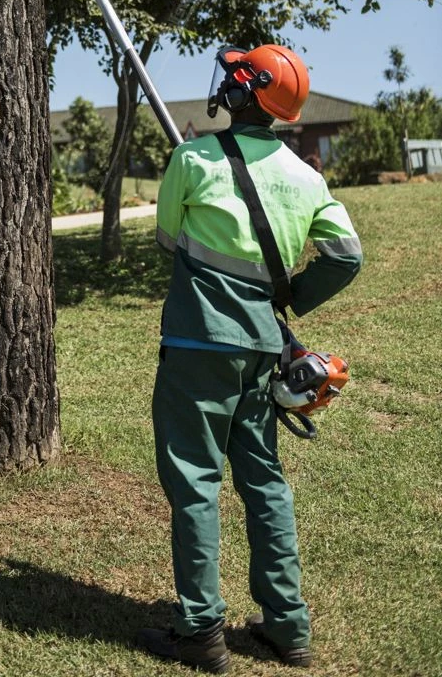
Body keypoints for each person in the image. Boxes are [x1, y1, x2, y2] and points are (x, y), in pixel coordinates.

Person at [137, 45, 362, 673]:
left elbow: (167, 241)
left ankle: (200, 632)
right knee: (264, 482)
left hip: (197, 346)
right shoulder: (307, 177)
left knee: (195, 483)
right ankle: (288, 628)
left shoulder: (192, 159)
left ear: (239, 94)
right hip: (264, 348)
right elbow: (347, 255)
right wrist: (291, 296)